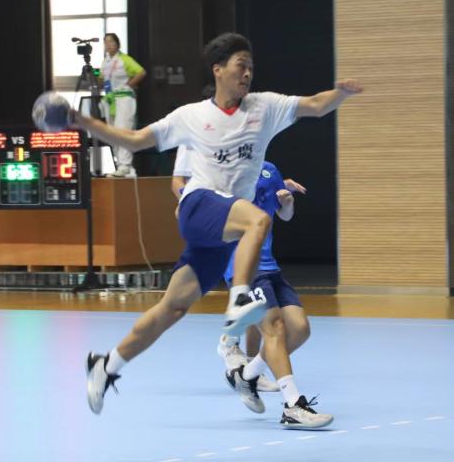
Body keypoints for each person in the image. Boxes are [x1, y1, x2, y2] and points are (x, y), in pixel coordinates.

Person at [70, 32, 362, 426]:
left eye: (251, 67)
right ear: (218, 69)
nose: (247, 73)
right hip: (199, 205)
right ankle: (241, 304)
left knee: (172, 308)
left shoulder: (265, 107)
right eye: (241, 66)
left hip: (224, 233)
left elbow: (314, 105)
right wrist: (81, 120)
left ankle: (106, 365)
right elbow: (135, 141)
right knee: (259, 219)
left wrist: (340, 94)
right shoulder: (190, 116)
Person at [174, 151, 323, 426]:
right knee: (275, 328)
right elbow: (186, 203)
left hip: (270, 266)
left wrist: (287, 203)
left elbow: (284, 215)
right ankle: (293, 406)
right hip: (242, 265)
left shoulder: (270, 170)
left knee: (300, 329)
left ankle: (247, 375)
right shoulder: (220, 173)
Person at [100, 33, 146, 178]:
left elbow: (141, 72)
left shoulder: (124, 59)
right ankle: (122, 165)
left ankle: (125, 165)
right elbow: (102, 78)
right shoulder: (105, 61)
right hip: (110, 99)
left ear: (117, 44)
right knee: (112, 134)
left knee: (123, 131)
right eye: (106, 42)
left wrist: (129, 85)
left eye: (111, 42)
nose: (108, 45)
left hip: (124, 98)